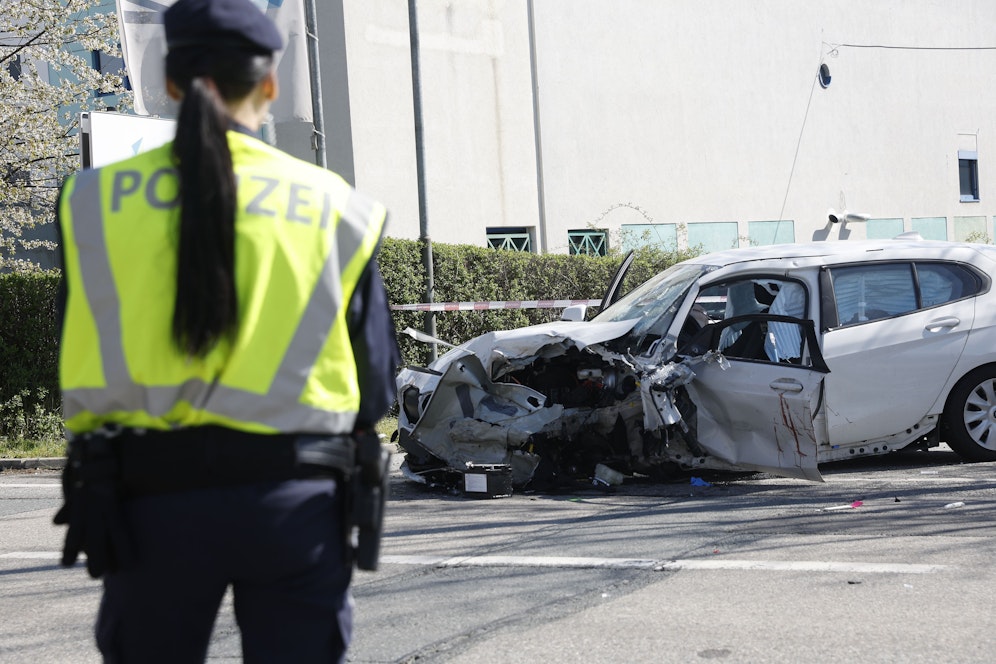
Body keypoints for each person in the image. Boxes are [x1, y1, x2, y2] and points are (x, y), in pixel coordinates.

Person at [52, 0, 400, 661]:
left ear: (171, 83)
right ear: (268, 84)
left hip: (146, 503)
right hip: (296, 507)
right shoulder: (336, 206)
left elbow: (79, 336)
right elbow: (375, 384)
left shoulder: (90, 202)